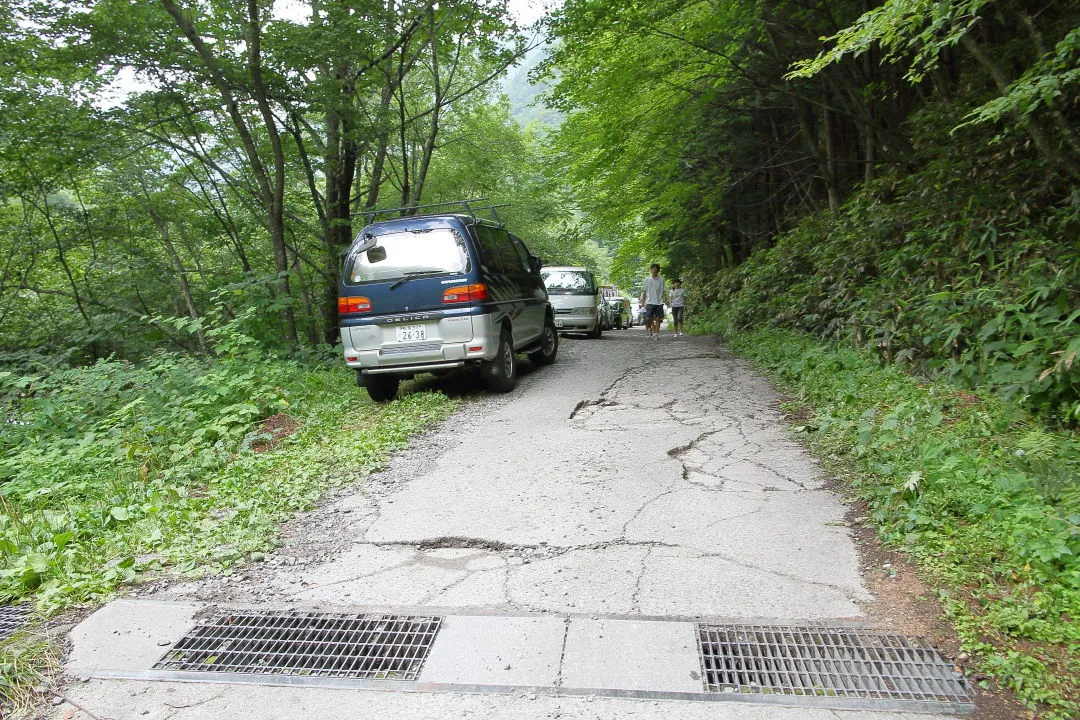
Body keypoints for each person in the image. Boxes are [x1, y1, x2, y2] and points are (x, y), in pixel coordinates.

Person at [640, 263, 666, 340]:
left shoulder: (661, 280)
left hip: (659, 302)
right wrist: (643, 303)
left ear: (658, 270)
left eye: (656, 269)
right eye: (653, 269)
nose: (654, 270)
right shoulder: (647, 280)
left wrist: (664, 299)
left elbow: (663, 291)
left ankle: (656, 334)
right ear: (651, 270)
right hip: (649, 302)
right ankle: (650, 329)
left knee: (658, 319)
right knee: (648, 318)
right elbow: (644, 292)